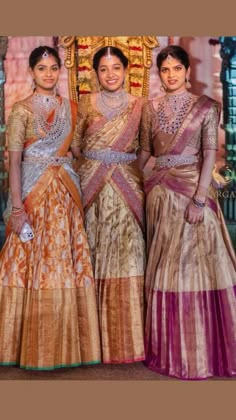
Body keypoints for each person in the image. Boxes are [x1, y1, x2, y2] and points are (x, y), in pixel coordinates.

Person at [0, 46, 101, 370]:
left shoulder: (71, 108)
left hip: (66, 195)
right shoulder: (20, 111)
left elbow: (75, 151)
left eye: (53, 67)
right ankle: (24, 343)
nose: (48, 73)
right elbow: (14, 163)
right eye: (42, 68)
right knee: (29, 265)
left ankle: (68, 344)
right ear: (31, 72)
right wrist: (17, 209)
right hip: (33, 194)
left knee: (64, 263)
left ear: (60, 71)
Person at [139, 45, 236, 379]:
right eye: (165, 70)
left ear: (186, 71)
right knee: (167, 265)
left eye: (176, 68)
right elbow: (144, 153)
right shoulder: (150, 108)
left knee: (197, 263)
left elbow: (209, 154)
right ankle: (171, 346)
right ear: (159, 73)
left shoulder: (206, 107)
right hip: (161, 195)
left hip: (194, 191)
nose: (171, 75)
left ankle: (205, 348)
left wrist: (197, 200)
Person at [75, 46, 146, 364]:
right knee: (94, 252)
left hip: (128, 186)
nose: (110, 74)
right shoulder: (84, 104)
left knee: (129, 253)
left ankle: (131, 340)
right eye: (103, 69)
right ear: (95, 73)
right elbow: (75, 146)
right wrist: (96, 168)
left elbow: (145, 147)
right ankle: (92, 341)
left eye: (116, 67)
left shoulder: (140, 106)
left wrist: (124, 167)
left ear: (126, 69)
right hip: (92, 188)